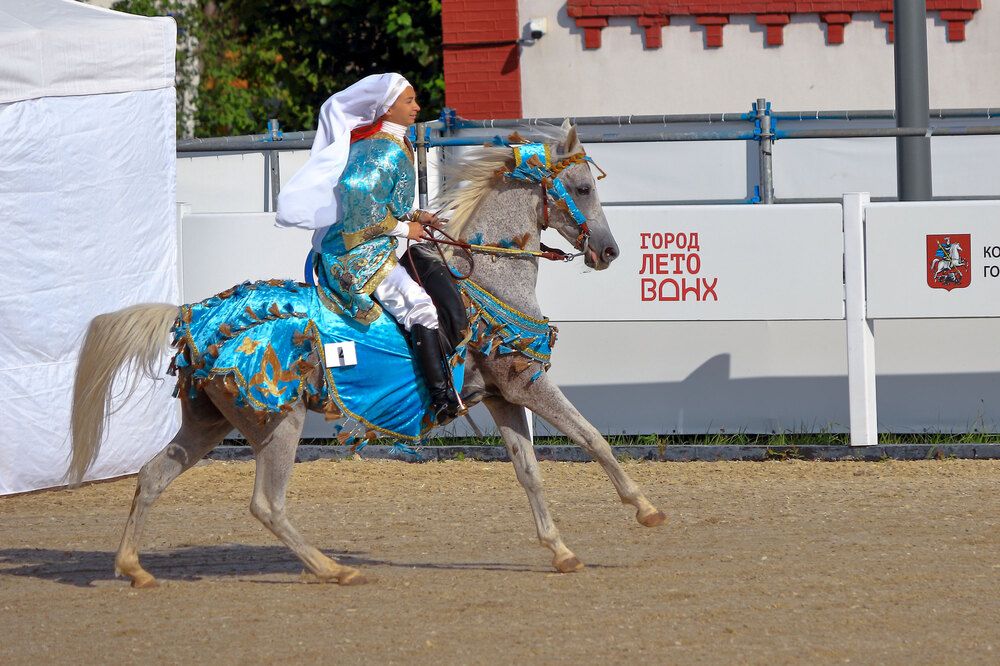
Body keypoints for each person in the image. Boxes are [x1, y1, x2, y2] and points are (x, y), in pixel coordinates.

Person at [275, 73, 459, 420]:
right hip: (356, 254)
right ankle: (440, 400)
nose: (417, 107)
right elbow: (361, 205)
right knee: (421, 308)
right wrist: (408, 228)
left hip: (373, 244)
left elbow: (387, 202)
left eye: (415, 100)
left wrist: (421, 216)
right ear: (386, 108)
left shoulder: (393, 143)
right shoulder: (380, 150)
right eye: (409, 101)